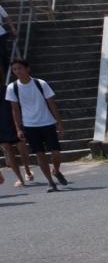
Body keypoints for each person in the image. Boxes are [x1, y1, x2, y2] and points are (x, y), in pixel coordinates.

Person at [6, 59, 68, 192]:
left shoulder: (40, 83)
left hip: (47, 122)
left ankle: (56, 170)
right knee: (40, 155)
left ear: (27, 68)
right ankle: (50, 182)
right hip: (30, 125)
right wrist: (18, 128)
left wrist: (59, 123)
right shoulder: (12, 88)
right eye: (15, 69)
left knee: (56, 153)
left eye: (20, 68)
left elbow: (51, 103)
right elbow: (15, 110)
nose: (18, 71)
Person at [0, 98, 34, 187]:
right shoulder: (8, 91)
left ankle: (25, 173)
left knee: (20, 150)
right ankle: (23, 176)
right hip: (8, 125)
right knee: (13, 151)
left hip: (13, 124)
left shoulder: (8, 91)